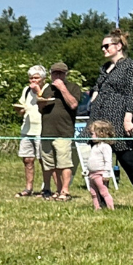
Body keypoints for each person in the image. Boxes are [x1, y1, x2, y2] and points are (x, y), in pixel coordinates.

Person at [89, 29, 133, 211]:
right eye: (102, 46)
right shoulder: (105, 68)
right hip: (99, 118)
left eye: (106, 46)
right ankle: (102, 201)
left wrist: (128, 118)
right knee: (98, 162)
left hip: (118, 116)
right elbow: (97, 86)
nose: (103, 49)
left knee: (128, 161)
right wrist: (94, 98)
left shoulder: (131, 67)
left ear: (118, 46)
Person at [37, 62, 80, 201]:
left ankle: (65, 191)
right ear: (50, 74)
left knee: (64, 163)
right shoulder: (47, 89)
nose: (58, 76)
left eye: (61, 73)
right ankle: (56, 189)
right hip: (47, 132)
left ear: (66, 74)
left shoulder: (73, 87)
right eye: (55, 73)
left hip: (63, 132)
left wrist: (62, 89)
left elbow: (73, 104)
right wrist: (41, 104)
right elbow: (41, 110)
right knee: (49, 164)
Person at [15, 64, 47, 197]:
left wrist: (38, 91)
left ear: (43, 79)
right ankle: (28, 188)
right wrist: (19, 110)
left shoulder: (47, 89)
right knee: (27, 159)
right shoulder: (26, 90)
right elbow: (23, 105)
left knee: (43, 160)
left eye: (36, 78)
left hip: (42, 129)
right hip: (27, 129)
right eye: (31, 78)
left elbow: (46, 104)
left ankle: (46, 187)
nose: (33, 81)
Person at [81, 120, 118, 210]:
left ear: (101, 133)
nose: (91, 136)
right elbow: (92, 160)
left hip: (100, 174)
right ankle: (97, 208)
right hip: (91, 175)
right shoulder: (94, 146)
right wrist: (87, 170)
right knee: (93, 193)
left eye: (92, 134)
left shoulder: (105, 147)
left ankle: (111, 208)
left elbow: (108, 161)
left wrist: (106, 174)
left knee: (103, 192)